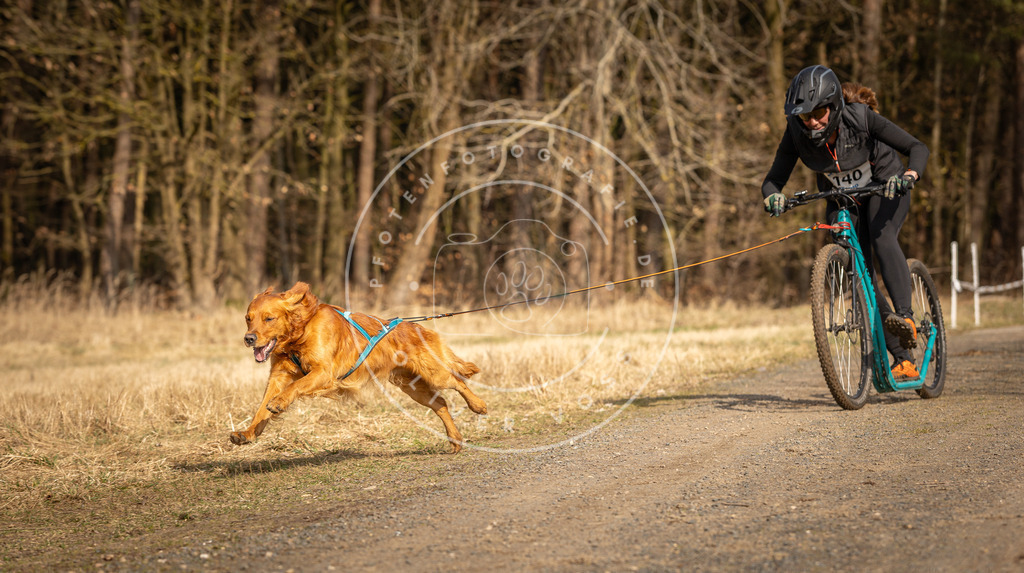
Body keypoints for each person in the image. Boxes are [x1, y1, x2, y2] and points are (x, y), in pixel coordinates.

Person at [760, 65, 929, 380]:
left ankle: (905, 318)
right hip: (843, 200)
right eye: (804, 116)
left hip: (886, 187)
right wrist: (773, 196)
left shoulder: (861, 118)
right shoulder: (796, 134)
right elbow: (773, 180)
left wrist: (909, 175)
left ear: (834, 106)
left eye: (819, 112)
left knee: (881, 238)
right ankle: (902, 356)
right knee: (857, 269)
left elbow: (917, 148)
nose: (812, 122)